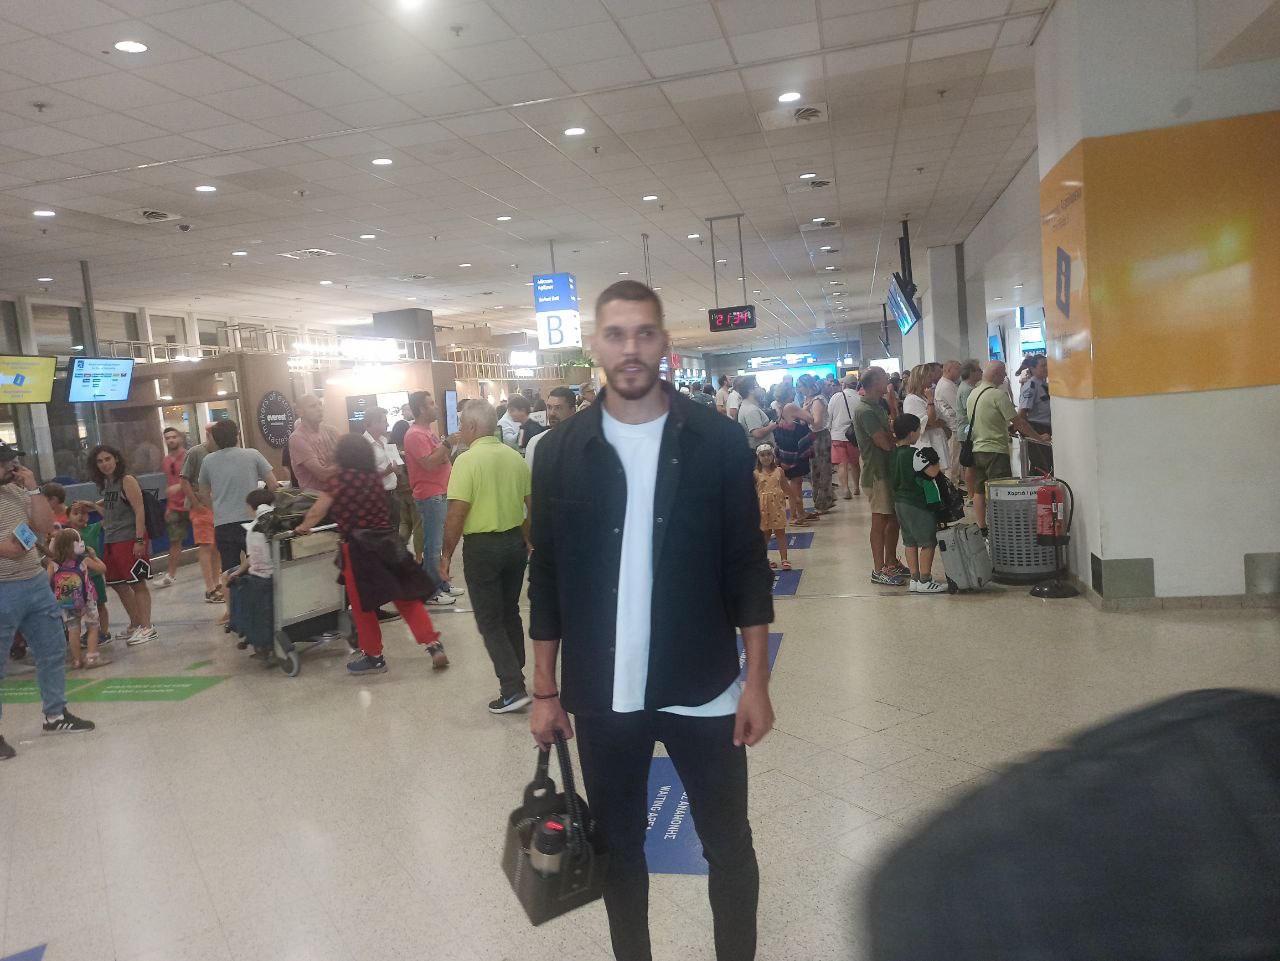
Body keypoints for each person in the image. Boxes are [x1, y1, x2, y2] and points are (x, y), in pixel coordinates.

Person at [529, 280, 774, 961]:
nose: (630, 348)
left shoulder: (717, 440)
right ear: (594, 346)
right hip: (603, 695)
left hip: (705, 685)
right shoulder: (559, 451)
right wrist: (543, 688)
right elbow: (546, 576)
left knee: (728, 845)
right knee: (619, 849)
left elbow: (746, 565)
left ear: (665, 342)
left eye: (643, 333)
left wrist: (756, 682)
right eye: (616, 334)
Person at [296, 434, 445, 675]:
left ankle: (374, 656)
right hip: (388, 543)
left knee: (363, 606)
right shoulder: (374, 479)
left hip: (359, 549)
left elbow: (316, 511)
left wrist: (303, 527)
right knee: (406, 598)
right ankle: (433, 644)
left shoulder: (338, 480)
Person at [0, 443, 95, 759]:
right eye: (5, 463)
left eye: (13, 462)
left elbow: (41, 528)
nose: (12, 468)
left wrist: (33, 490)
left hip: (34, 583)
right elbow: (11, 547)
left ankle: (55, 715)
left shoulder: (17, 492)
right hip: (2, 587)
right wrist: (6, 548)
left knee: (52, 650)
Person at [441, 400, 533, 713]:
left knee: (489, 619)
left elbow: (457, 513)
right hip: (513, 545)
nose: (460, 431)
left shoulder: (466, 461)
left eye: (461, 425)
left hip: (482, 548)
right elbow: (530, 505)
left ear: (471, 426)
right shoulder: (514, 457)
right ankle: (517, 673)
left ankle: (512, 688)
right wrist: (528, 539)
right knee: (509, 611)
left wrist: (445, 555)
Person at [968, 361, 1052, 534]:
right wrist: (1039, 438)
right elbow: (1019, 422)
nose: (1005, 376)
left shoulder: (973, 394)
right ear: (996, 374)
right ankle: (1002, 528)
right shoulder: (998, 395)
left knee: (979, 489)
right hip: (995, 450)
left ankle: (983, 527)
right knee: (1000, 490)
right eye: (1003, 373)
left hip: (977, 449)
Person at [198, 419, 278, 596]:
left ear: (215, 439)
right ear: (237, 435)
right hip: (252, 521)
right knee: (258, 565)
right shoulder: (253, 454)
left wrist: (216, 510)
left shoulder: (208, 461)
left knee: (229, 571)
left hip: (223, 523)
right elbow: (273, 485)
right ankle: (259, 602)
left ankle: (232, 609)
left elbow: (203, 494)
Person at [88, 444, 156, 646]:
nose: (104, 464)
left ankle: (147, 627)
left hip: (129, 539)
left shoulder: (127, 480)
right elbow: (112, 514)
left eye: (107, 459)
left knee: (137, 583)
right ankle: (136, 623)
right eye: (100, 461)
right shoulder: (109, 484)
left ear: (116, 458)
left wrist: (139, 540)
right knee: (118, 583)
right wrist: (93, 506)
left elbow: (139, 510)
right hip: (112, 540)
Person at [403, 390, 463, 606]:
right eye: (430, 404)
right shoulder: (414, 435)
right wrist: (447, 445)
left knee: (441, 542)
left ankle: (441, 583)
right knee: (433, 544)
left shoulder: (428, 432)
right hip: (430, 495)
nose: (435, 407)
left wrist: (445, 449)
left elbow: (440, 459)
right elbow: (428, 463)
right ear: (421, 408)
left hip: (441, 492)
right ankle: (430, 591)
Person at [854, 368, 907, 586]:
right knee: (880, 519)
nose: (888, 381)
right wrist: (894, 439)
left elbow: (889, 434)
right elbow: (883, 442)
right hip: (876, 474)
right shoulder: (865, 410)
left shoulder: (878, 405)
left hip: (887, 470)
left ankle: (891, 561)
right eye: (884, 377)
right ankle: (878, 569)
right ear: (875, 382)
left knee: (893, 517)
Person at [889, 414, 948, 595]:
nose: (918, 433)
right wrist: (934, 458)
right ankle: (925, 579)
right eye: (917, 430)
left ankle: (914, 579)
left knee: (910, 541)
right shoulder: (914, 454)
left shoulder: (893, 454)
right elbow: (933, 472)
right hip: (916, 503)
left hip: (899, 503)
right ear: (910, 433)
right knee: (928, 541)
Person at [47, 528, 111, 668]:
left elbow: (46, 582)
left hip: (66, 602)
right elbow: (103, 569)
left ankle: (77, 660)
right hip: (87, 600)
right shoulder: (84, 560)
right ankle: (92, 658)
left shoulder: (54, 564)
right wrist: (94, 557)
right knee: (93, 627)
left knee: (73, 630)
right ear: (77, 545)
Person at [180, 422, 222, 603]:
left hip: (217, 506)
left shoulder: (221, 452)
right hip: (201, 507)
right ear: (209, 434)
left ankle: (217, 583)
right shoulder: (196, 452)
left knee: (217, 546)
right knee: (206, 545)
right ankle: (210, 588)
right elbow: (184, 480)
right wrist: (196, 503)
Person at [67, 500, 112, 644]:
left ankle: (104, 632)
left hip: (94, 576)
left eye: (84, 513)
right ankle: (91, 632)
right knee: (84, 608)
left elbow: (110, 518)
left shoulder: (93, 528)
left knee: (100, 604)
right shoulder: (67, 535)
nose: (80, 516)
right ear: (68, 517)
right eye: (76, 513)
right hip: (77, 579)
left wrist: (93, 505)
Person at [154, 426, 190, 589]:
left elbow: (197, 479)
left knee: (207, 540)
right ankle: (170, 575)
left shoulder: (189, 457)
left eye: (173, 437)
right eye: (167, 438)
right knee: (175, 541)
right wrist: (169, 506)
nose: (171, 440)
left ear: (180, 438)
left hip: (193, 503)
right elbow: (170, 482)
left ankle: (217, 569)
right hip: (175, 506)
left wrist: (180, 487)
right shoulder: (166, 460)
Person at [902, 364, 951, 474]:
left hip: (936, 441)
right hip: (926, 444)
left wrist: (939, 423)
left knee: (940, 475)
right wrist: (930, 401)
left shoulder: (924, 396)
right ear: (920, 379)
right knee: (930, 476)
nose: (932, 379)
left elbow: (944, 418)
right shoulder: (912, 400)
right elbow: (927, 423)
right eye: (928, 376)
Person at [288, 394, 340, 494]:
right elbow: (323, 475)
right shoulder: (297, 438)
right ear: (300, 412)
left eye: (320, 404)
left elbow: (351, 460)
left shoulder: (332, 431)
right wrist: (342, 464)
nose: (319, 409)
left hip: (338, 494)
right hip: (314, 499)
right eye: (313, 406)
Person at [773, 403, 815, 527]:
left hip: (787, 452)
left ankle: (800, 512)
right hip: (794, 452)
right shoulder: (790, 407)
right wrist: (804, 410)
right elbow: (811, 419)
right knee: (794, 484)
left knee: (796, 483)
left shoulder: (780, 409)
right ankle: (794, 516)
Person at [389, 416, 424, 564]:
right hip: (413, 490)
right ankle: (418, 558)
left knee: (404, 523)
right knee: (418, 525)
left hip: (398, 492)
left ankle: (398, 551)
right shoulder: (408, 449)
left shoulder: (390, 448)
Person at [797, 374, 834, 513]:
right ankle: (818, 499)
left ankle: (824, 501)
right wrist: (804, 411)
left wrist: (804, 412)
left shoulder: (817, 400)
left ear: (807, 386)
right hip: (812, 436)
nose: (798, 389)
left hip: (820, 436)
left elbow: (817, 423)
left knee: (822, 469)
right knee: (814, 470)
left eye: (800, 386)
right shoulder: (807, 400)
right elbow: (802, 421)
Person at [363, 407, 404, 522]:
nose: (388, 424)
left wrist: (397, 466)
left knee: (396, 527)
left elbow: (394, 464)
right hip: (376, 497)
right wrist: (387, 471)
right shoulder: (363, 445)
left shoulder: (386, 440)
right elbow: (365, 476)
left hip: (393, 494)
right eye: (384, 421)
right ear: (374, 423)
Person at [754, 444, 790, 571]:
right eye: (762, 455)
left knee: (780, 532)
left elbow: (785, 486)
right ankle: (763, 559)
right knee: (765, 534)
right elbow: (752, 492)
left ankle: (784, 559)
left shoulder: (779, 471)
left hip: (777, 507)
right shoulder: (755, 473)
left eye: (769, 454)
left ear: (773, 455)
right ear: (758, 457)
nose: (766, 457)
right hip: (762, 508)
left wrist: (794, 499)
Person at [524, 385, 576, 470]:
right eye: (549, 407)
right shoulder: (536, 442)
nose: (552, 413)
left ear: (572, 410)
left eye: (558, 408)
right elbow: (530, 475)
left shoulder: (584, 441)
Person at [1018, 355, 1053, 474]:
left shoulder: (1044, 384)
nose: (1046, 368)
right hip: (1037, 428)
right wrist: (1034, 435)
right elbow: (1022, 414)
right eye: (1043, 366)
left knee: (1047, 464)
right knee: (1041, 466)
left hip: (1047, 428)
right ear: (1032, 368)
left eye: (1047, 365)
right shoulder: (1030, 386)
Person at [828, 374, 861, 498]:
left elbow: (829, 416)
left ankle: (846, 489)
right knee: (855, 463)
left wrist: (829, 429)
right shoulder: (859, 398)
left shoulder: (836, 397)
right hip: (854, 436)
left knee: (842, 464)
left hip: (837, 435)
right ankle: (856, 487)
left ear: (844, 384)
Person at [955, 359, 984, 489]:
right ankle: (972, 493)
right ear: (971, 372)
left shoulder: (968, 387)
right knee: (971, 465)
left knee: (971, 465)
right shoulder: (967, 390)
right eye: (979, 370)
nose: (982, 372)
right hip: (968, 432)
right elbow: (972, 412)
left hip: (968, 431)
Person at [934, 360, 963, 478]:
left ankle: (954, 484)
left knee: (956, 461)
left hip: (955, 427)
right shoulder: (946, 386)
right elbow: (959, 407)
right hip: (953, 428)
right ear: (949, 370)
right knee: (952, 463)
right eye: (958, 369)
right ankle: (951, 487)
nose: (960, 372)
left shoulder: (949, 384)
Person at [736, 377, 775, 448]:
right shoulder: (751, 409)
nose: (760, 388)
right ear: (751, 390)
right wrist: (771, 426)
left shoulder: (745, 406)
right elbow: (757, 433)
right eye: (758, 386)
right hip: (760, 450)